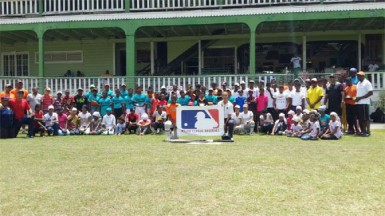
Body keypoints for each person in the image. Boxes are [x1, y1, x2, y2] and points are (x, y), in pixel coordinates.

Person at [355, 71, 373, 136]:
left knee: (366, 118)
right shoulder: (358, 83)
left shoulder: (367, 83)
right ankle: (363, 131)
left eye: (360, 75)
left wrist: (360, 98)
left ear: (363, 76)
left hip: (364, 103)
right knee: (361, 118)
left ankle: (367, 131)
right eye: (358, 76)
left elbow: (371, 93)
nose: (358, 77)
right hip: (358, 103)